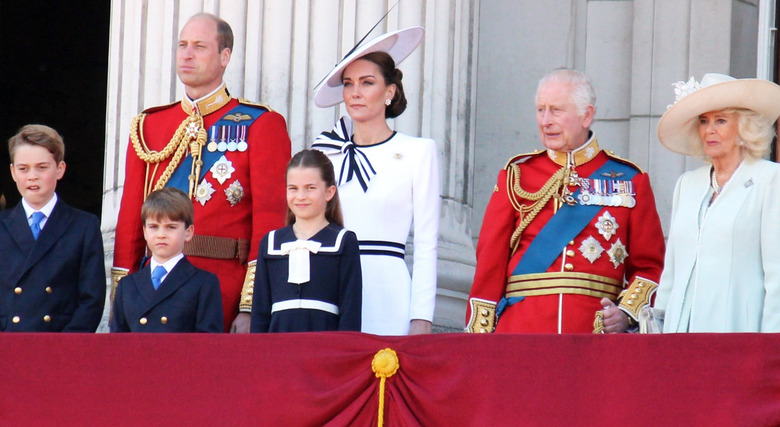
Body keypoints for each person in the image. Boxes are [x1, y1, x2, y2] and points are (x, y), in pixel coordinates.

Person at [112, 13, 291, 333]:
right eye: (182, 45)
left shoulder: (260, 124)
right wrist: (122, 298)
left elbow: (269, 223)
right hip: (151, 293)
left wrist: (250, 305)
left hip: (224, 290)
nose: (187, 54)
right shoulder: (149, 126)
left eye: (199, 46)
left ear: (225, 56)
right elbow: (130, 223)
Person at [466, 69, 666, 334]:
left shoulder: (631, 180)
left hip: (594, 334)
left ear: (587, 115)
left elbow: (650, 266)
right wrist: (479, 338)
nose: (545, 121)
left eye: (556, 110)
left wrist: (626, 313)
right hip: (520, 332)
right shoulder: (516, 176)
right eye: (540, 110)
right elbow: (489, 265)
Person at [312, 27, 440, 336]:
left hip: (389, 293)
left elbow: (426, 243)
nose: (355, 92)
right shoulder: (324, 152)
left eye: (367, 83)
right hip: (329, 286)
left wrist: (421, 316)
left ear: (389, 92)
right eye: (348, 84)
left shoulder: (418, 152)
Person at [654, 73, 780, 332]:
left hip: (738, 332)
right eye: (703, 121)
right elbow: (671, 273)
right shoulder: (687, 184)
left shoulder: (770, 179)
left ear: (745, 128)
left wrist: (770, 346)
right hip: (680, 333)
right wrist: (659, 330)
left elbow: (776, 274)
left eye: (720, 120)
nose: (709, 130)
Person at [0, 124, 105, 332]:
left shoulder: (83, 226)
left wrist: (65, 347)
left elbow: (91, 299)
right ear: (13, 172)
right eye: (23, 168)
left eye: (42, 167)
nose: (32, 176)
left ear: (60, 169)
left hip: (59, 349)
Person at [250, 150, 362, 333]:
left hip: (325, 349)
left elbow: (350, 312)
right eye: (293, 188)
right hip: (278, 349)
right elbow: (260, 313)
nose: (300, 196)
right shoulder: (270, 243)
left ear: (329, 192)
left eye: (310, 188)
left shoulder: (344, 241)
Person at [111, 187, 223, 333]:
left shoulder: (204, 283)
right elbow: (117, 344)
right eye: (154, 227)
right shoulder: (127, 286)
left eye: (171, 227)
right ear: (144, 231)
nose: (161, 234)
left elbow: (208, 343)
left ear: (188, 233)